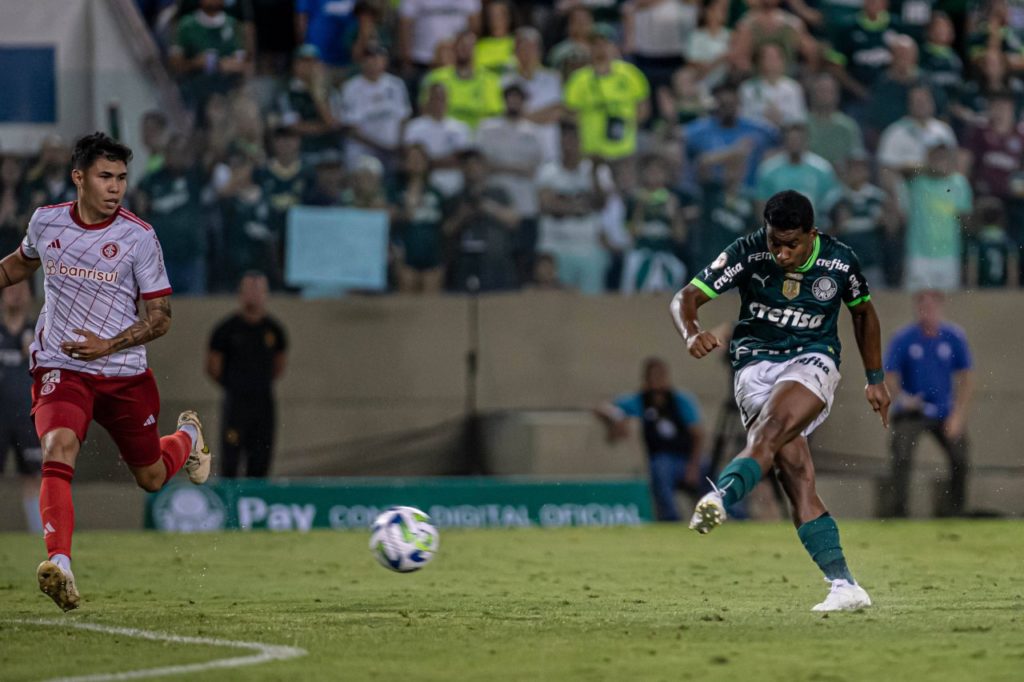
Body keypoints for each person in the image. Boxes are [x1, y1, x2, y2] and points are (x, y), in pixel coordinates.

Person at [0, 132, 211, 611]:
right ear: (79, 178)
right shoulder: (46, 222)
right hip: (61, 366)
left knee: (152, 477)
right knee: (57, 446)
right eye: (105, 177)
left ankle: (188, 440)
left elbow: (161, 318)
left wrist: (108, 344)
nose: (115, 187)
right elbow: (19, 266)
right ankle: (61, 564)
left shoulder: (139, 237)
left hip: (123, 374)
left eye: (120, 178)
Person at [670, 190, 891, 611]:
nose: (783, 253)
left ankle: (721, 497)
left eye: (792, 245)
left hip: (813, 359)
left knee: (771, 430)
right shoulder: (747, 252)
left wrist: (874, 379)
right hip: (754, 364)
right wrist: (691, 332)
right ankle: (845, 585)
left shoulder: (840, 261)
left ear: (812, 234)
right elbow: (686, 298)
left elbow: (863, 312)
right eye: (775, 242)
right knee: (795, 474)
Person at [884, 290, 973, 517]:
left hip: (944, 411)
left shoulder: (954, 336)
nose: (927, 312)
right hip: (913, 410)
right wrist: (903, 398)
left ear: (940, 308)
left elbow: (966, 378)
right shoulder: (904, 337)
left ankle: (955, 512)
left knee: (960, 456)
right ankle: (898, 512)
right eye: (923, 307)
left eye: (932, 307)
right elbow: (890, 374)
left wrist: (957, 415)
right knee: (901, 453)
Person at [594, 357, 707, 522]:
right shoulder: (640, 401)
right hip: (663, 459)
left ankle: (734, 515)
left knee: (712, 472)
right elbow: (604, 408)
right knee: (661, 467)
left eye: (660, 377)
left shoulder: (680, 400)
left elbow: (698, 435)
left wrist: (693, 466)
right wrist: (617, 418)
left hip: (687, 459)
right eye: (653, 377)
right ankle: (671, 519)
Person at [207, 272, 287, 478]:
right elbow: (213, 367)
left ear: (266, 294)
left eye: (258, 290)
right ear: (240, 294)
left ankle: (255, 503)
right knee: (231, 458)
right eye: (248, 290)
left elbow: (278, 366)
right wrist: (235, 384)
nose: (253, 295)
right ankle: (229, 503)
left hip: (263, 402)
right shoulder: (226, 330)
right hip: (236, 403)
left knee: (261, 458)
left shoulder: (274, 330)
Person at [563, 23, 650, 160]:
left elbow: (643, 109)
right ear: (589, 48)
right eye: (595, 44)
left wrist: (626, 122)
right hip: (591, 150)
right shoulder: (579, 79)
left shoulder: (631, 74)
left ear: (615, 47)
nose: (600, 49)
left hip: (624, 149)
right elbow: (570, 113)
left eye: (605, 44)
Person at [0, 281, 42, 534]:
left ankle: (40, 537)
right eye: (10, 288)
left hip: (27, 417)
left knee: (34, 477)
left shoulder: (38, 332)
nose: (15, 294)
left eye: (21, 289)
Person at [335, 43, 411, 172]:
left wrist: (399, 145)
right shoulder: (350, 87)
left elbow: (404, 118)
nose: (375, 61)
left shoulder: (396, 84)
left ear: (385, 61)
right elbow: (350, 128)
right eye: (370, 57)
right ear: (362, 62)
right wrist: (381, 147)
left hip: (393, 150)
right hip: (363, 150)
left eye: (379, 57)